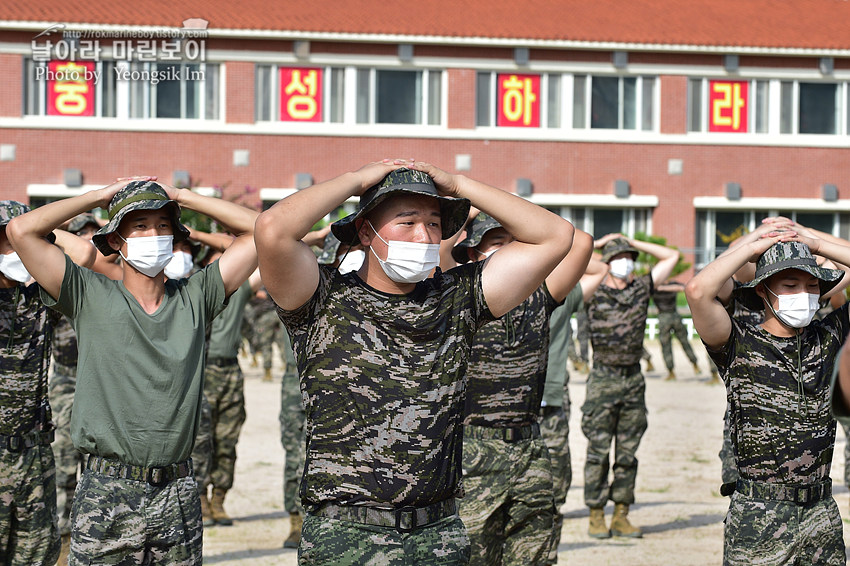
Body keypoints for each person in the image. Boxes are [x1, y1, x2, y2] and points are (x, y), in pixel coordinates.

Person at [254, 161, 575, 564]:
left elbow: (556, 236)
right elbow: (272, 230)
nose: (423, 236)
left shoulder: (457, 299)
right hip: (345, 534)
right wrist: (357, 181)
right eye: (407, 222)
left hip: (437, 533)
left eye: (435, 224)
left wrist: (459, 184)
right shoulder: (323, 298)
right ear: (366, 231)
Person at [7, 178, 259, 564]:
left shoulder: (196, 296)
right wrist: (98, 196)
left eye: (162, 225)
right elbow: (22, 230)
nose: (153, 235)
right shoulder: (88, 294)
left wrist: (184, 198)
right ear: (115, 242)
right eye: (138, 226)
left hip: (177, 492)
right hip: (106, 491)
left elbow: (262, 232)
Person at [685, 218, 850, 566]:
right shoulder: (739, 341)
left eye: (811, 286)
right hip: (759, 513)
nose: (803, 295)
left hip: (821, 511)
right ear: (763, 290)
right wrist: (755, 244)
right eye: (790, 285)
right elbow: (699, 291)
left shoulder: (829, 336)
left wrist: (815, 242)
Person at [442, 212, 592, 565]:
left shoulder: (541, 294)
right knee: (473, 555)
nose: (507, 252)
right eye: (496, 244)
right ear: (473, 253)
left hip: (529, 445)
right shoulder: (459, 295)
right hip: (473, 448)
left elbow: (580, 241)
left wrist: (516, 220)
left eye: (513, 244)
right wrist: (469, 207)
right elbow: (439, 247)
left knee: (536, 554)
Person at [0, 201, 96, 566]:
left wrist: (37, 234)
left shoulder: (40, 298)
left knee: (37, 556)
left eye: (18, 240)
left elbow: (84, 252)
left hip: (33, 452)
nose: (14, 250)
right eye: (4, 241)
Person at [581, 233, 678, 538]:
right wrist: (597, 245)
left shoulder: (640, 288)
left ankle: (621, 514)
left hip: (633, 380)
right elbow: (569, 258)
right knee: (598, 451)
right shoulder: (593, 289)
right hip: (603, 378)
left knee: (627, 453)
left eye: (629, 258)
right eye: (618, 257)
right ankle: (596, 514)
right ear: (606, 263)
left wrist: (632, 242)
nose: (625, 263)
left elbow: (670, 257)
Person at [538, 253, 608, 565]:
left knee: (554, 490)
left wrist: (543, 247)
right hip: (492, 411)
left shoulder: (556, 296)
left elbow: (598, 268)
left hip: (549, 403)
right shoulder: (486, 292)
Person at [652, 279, 701, 381]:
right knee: (666, 345)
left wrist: (662, 288)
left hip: (673, 315)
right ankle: (671, 371)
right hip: (664, 316)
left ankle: (694, 363)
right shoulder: (652, 287)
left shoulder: (670, 284)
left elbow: (683, 287)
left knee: (684, 342)